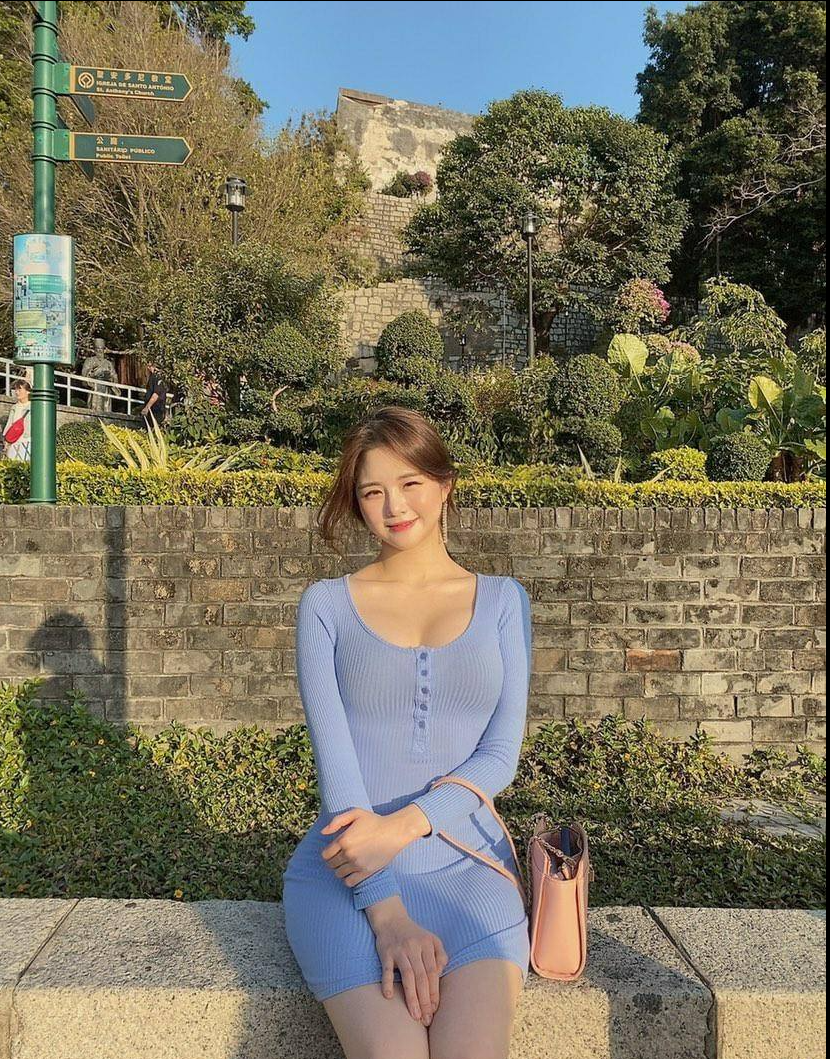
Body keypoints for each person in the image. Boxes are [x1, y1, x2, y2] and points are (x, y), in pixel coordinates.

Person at [281, 406, 532, 1059]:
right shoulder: (326, 606)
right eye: (372, 491)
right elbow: (338, 769)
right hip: (347, 875)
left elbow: (499, 756)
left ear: (444, 484)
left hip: (470, 869)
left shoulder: (504, 600)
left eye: (410, 482)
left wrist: (402, 827)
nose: (394, 505)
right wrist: (387, 912)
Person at [81, 338, 119, 414]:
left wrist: (110, 378)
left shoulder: (108, 363)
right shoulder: (89, 361)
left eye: (101, 348)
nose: (100, 350)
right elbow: (84, 375)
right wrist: (94, 374)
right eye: (98, 348)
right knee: (94, 408)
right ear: (94, 350)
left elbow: (114, 376)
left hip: (105, 388)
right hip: (94, 387)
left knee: (106, 409)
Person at [2, 372, 33, 462]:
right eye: (16, 390)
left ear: (28, 392)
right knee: (13, 465)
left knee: (25, 464)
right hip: (14, 442)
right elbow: (10, 424)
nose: (16, 392)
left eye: (19, 390)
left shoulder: (33, 407)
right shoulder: (14, 407)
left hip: (27, 440)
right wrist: (6, 440)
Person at [139, 361, 168, 427]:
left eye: (149, 366)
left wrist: (147, 408)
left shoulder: (158, 377)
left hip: (156, 408)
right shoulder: (153, 376)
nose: (148, 368)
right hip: (153, 408)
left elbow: (156, 395)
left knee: (152, 427)